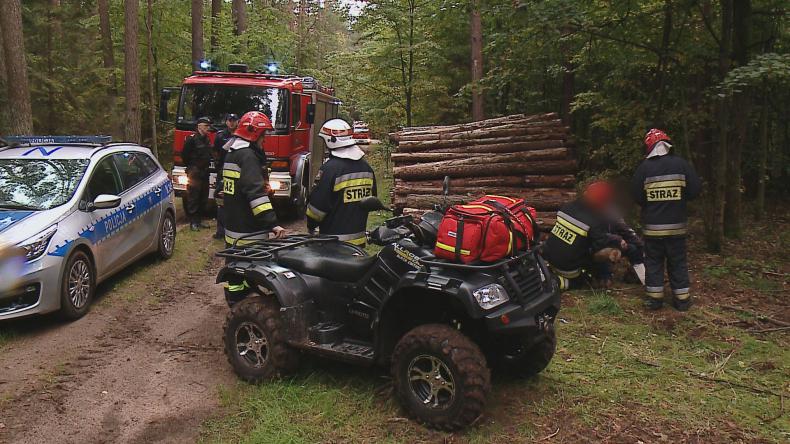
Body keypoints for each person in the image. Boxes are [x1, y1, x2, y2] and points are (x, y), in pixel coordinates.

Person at [632, 129, 701, 311]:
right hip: (677, 229)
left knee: (654, 262)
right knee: (677, 262)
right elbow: (694, 190)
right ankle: (682, 301)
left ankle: (655, 300)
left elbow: (637, 196)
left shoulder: (644, 169)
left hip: (653, 230)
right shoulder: (682, 165)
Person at [221, 111, 286, 305]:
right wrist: (273, 224)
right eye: (264, 136)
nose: (264, 141)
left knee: (234, 268)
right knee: (251, 268)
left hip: (233, 226)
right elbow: (255, 196)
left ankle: (234, 301)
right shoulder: (248, 156)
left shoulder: (232, 153)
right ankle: (245, 306)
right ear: (255, 135)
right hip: (249, 230)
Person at [542, 181, 625, 291]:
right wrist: (617, 243)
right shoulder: (595, 220)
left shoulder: (568, 207)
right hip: (568, 270)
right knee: (600, 254)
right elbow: (601, 246)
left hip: (549, 259)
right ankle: (561, 282)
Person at [306, 119, 377, 246]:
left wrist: (311, 225)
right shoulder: (367, 169)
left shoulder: (329, 170)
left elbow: (316, 209)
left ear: (330, 141)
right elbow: (372, 202)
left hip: (333, 245)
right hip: (359, 245)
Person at [182, 117, 213, 231]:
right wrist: (192, 168)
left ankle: (200, 220)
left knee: (203, 197)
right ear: (199, 126)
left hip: (205, 171)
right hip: (195, 172)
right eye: (206, 126)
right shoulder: (191, 139)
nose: (208, 128)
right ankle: (193, 222)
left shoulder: (206, 139)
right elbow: (184, 156)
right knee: (193, 197)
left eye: (208, 126)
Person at [212, 114, 240, 240]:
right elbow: (217, 153)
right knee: (221, 201)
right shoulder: (220, 136)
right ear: (226, 122)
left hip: (238, 173)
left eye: (234, 121)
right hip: (223, 172)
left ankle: (234, 229)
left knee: (237, 201)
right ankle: (221, 231)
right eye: (230, 121)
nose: (232, 123)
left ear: (238, 122)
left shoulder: (243, 135)